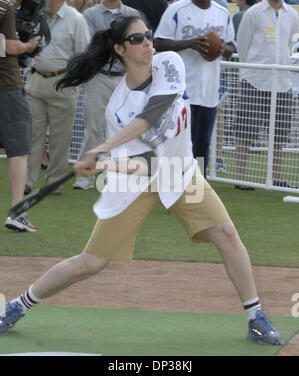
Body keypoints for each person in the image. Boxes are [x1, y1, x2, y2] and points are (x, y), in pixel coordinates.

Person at [0, 14, 283, 346]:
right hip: (137, 181)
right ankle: (17, 305)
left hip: (181, 172)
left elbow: (155, 112)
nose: (147, 42)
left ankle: (256, 317)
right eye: (137, 39)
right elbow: (143, 165)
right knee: (91, 262)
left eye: (148, 35)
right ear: (120, 49)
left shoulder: (169, 63)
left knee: (226, 233)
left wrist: (102, 150)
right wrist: (104, 166)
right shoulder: (117, 108)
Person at [154, 0, 236, 178]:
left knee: (202, 145)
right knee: (179, 145)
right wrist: (189, 43)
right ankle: (174, 189)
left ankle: (197, 187)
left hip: (209, 91)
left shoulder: (222, 13)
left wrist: (222, 48)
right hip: (181, 91)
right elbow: (158, 43)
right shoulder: (176, 10)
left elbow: (231, 46)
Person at [24, 0, 90, 195]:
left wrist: (72, 80)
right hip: (35, 79)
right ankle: (27, 180)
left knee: (60, 138)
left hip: (63, 82)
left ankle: (54, 183)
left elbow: (83, 54)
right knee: (33, 134)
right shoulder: (36, 15)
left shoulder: (76, 20)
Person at [72, 0, 139, 190]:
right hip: (99, 77)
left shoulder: (133, 14)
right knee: (94, 126)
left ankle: (116, 175)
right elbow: (94, 48)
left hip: (125, 78)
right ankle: (85, 176)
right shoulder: (90, 15)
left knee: (123, 128)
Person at [235, 0, 299, 190]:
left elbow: (289, 45)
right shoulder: (253, 13)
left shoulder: (292, 15)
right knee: (245, 128)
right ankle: (241, 177)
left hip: (281, 81)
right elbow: (243, 45)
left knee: (279, 129)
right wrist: (249, 71)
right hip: (254, 79)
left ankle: (276, 175)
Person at [0, 0, 40, 232]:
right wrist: (28, 46)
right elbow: (10, 47)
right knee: (20, 150)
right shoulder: (4, 8)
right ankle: (16, 212)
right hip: (7, 86)